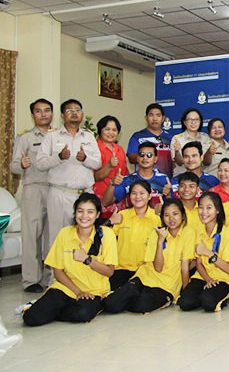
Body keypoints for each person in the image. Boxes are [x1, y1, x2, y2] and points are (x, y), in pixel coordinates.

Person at [23, 193, 117, 326]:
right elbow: (58, 271)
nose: (84, 216)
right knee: (31, 318)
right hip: (66, 288)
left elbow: (109, 272)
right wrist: (77, 292)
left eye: (90, 212)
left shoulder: (106, 234)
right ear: (75, 214)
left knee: (82, 314)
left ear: (97, 215)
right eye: (80, 211)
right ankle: (44, 308)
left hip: (93, 291)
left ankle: (56, 310)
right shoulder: (65, 233)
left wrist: (87, 259)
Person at [104, 199, 195, 314]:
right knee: (111, 304)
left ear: (182, 216)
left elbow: (184, 267)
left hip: (166, 285)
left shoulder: (189, 233)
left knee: (141, 305)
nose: (171, 219)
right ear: (162, 218)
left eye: (175, 214)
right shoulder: (156, 233)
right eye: (166, 215)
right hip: (145, 277)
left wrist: (185, 293)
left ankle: (137, 298)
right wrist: (160, 241)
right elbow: (157, 267)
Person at [36, 99, 102, 248]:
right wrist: (58, 158)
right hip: (60, 193)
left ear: (82, 114)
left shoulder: (89, 137)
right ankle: (56, 272)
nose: (74, 113)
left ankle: (79, 271)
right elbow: (40, 163)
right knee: (58, 237)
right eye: (69, 110)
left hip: (85, 194)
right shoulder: (52, 136)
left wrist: (85, 159)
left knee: (83, 237)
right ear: (62, 115)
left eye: (77, 110)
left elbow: (97, 163)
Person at [10, 98, 53, 292]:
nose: (43, 114)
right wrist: (22, 165)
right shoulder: (25, 138)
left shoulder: (58, 136)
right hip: (34, 188)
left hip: (55, 188)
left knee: (53, 236)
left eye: (47, 110)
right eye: (38, 111)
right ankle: (31, 280)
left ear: (52, 113)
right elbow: (13, 166)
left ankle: (51, 279)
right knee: (32, 235)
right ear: (33, 115)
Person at [179, 192, 229, 312]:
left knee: (208, 303)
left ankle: (228, 295)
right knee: (185, 303)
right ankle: (206, 292)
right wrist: (208, 279)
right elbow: (199, 263)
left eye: (209, 208)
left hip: (225, 277)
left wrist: (208, 253)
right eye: (201, 207)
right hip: (204, 276)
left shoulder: (227, 233)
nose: (204, 212)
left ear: (217, 210)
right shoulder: (199, 231)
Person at [107, 180, 160, 290]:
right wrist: (110, 222)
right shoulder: (122, 215)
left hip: (145, 270)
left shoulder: (157, 219)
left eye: (142, 193)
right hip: (121, 269)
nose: (137, 197)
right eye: (134, 193)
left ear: (149, 196)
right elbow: (102, 237)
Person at [102, 141, 170, 209]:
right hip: (133, 218)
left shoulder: (164, 179)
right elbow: (106, 202)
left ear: (155, 159)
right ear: (137, 158)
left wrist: (168, 195)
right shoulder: (127, 180)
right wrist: (112, 184)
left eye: (149, 155)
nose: (145, 158)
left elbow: (170, 205)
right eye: (141, 154)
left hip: (157, 218)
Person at [92, 115, 129, 218]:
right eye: (107, 129)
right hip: (99, 198)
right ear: (100, 130)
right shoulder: (94, 148)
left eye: (114, 130)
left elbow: (125, 173)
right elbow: (94, 177)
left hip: (117, 198)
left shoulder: (119, 149)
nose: (111, 133)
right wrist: (109, 165)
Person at [127, 103, 173, 177]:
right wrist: (148, 155)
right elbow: (131, 158)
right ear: (146, 118)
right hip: (143, 182)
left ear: (163, 118)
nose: (154, 119)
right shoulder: (137, 137)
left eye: (158, 115)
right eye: (151, 115)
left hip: (166, 181)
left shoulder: (171, 138)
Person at [171, 108, 210, 177]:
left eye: (196, 120)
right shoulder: (177, 139)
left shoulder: (205, 138)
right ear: (184, 122)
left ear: (200, 121)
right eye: (190, 120)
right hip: (182, 177)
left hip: (201, 178)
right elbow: (179, 163)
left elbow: (206, 162)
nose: (193, 122)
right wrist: (177, 152)